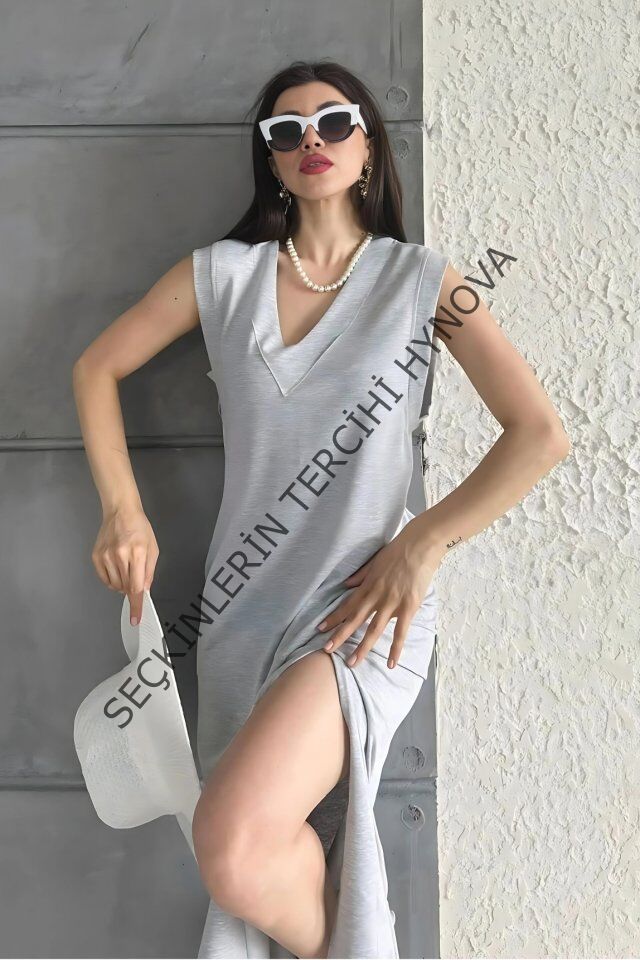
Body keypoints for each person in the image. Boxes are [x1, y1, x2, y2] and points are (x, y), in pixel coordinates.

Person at [72, 60, 570, 960]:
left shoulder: (421, 281)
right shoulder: (221, 277)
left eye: (335, 122)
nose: (312, 140)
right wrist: (122, 510)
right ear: (269, 159)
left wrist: (424, 542)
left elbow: (539, 434)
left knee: (230, 843)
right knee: (245, 862)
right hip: (241, 616)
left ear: (368, 148)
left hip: (363, 610)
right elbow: (95, 368)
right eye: (287, 129)